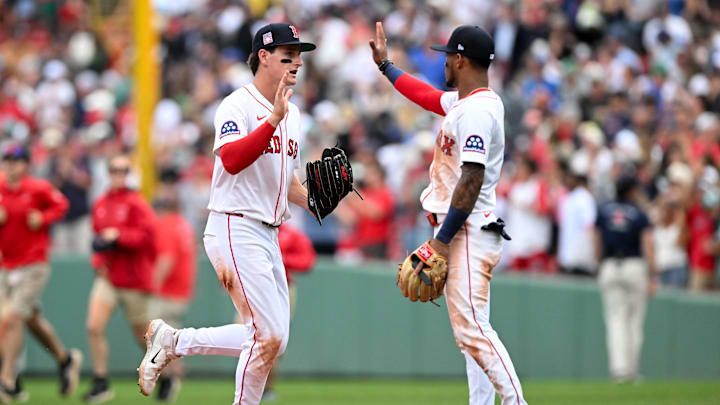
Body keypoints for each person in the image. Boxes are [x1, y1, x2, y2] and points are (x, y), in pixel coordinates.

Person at [137, 23, 319, 405]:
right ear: (264, 57)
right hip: (234, 225)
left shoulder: (295, 115)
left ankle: (174, 341)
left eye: (300, 55)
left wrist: (316, 200)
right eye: (289, 54)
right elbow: (233, 160)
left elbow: (287, 184)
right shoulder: (237, 104)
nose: (297, 62)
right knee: (265, 335)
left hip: (268, 233)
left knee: (275, 340)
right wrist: (271, 121)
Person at [370, 22, 527, 405]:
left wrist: (442, 241)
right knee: (472, 334)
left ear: (459, 59)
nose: (443, 63)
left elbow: (471, 178)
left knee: (471, 329)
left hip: (468, 229)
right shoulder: (468, 103)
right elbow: (425, 95)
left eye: (447, 56)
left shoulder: (477, 111)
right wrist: (386, 66)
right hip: (467, 228)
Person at [0, 145, 83, 401]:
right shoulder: (1, 187)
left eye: (17, 160)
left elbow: (62, 204)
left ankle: (7, 380)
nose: (12, 165)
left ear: (26, 164)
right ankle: (65, 359)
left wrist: (43, 217)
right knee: (28, 319)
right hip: (7, 265)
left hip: (33, 264)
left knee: (10, 318)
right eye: (8, 160)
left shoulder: (37, 188)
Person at [84, 154, 157, 403]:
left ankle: (168, 376)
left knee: (143, 336)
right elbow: (95, 239)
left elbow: (147, 238)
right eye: (114, 169)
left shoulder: (137, 203)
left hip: (134, 278)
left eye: (123, 170)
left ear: (129, 174)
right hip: (110, 276)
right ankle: (101, 381)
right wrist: (98, 263)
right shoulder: (101, 203)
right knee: (94, 326)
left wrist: (119, 236)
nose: (118, 174)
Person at [237, 223, 316, 402]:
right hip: (252, 288)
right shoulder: (249, 227)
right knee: (244, 335)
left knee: (274, 339)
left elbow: (307, 261)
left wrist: (280, 259)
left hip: (281, 288)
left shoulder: (290, 234)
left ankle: (267, 387)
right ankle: (248, 384)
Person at [595, 176, 657, 382]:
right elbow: (648, 243)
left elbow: (596, 239)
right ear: (631, 191)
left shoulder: (604, 211)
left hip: (610, 265)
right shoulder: (639, 213)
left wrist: (599, 264)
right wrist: (653, 274)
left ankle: (619, 370)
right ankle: (631, 370)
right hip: (634, 266)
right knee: (634, 322)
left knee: (615, 320)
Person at [149, 184, 197, 402]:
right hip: (182, 290)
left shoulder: (166, 225)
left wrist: (152, 285)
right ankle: (173, 374)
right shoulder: (183, 224)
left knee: (159, 338)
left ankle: (173, 377)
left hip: (167, 292)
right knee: (168, 338)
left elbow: (166, 260)